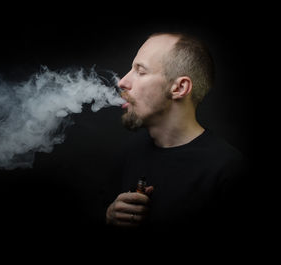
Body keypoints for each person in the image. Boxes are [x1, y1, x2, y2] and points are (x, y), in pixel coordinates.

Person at [104, 32, 247, 234]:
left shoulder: (228, 171)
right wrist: (110, 217)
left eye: (141, 71)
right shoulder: (128, 152)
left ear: (179, 87)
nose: (123, 82)